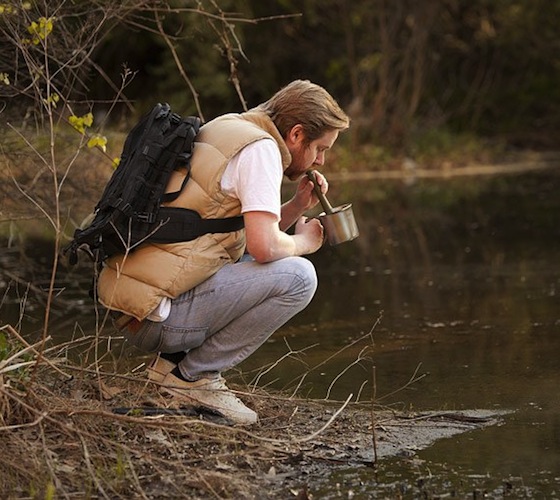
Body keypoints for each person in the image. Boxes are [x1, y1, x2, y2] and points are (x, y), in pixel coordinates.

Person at [98, 80, 350, 424]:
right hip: (159, 318)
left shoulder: (230, 127)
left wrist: (295, 205)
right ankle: (193, 378)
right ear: (296, 135)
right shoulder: (261, 151)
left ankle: (170, 367)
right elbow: (263, 247)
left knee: (256, 259)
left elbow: (233, 236)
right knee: (299, 277)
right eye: (320, 148)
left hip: (139, 305)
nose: (321, 160)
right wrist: (307, 243)